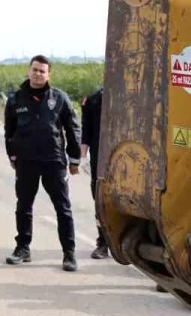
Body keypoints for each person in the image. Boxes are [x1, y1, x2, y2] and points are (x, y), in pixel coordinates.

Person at [4, 55, 83, 272]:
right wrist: (13, 156)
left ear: (49, 74)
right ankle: (22, 248)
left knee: (63, 208)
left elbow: (72, 129)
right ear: (29, 71)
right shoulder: (15, 99)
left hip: (53, 161)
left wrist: (74, 159)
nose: (38, 74)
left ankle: (69, 253)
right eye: (35, 70)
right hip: (26, 162)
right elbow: (9, 131)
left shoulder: (59, 98)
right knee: (23, 206)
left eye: (42, 71)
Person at [81, 86, 108, 259]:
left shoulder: (137, 96)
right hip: (99, 160)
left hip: (130, 159)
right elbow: (86, 131)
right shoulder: (94, 100)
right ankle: (103, 243)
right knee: (100, 202)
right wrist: (82, 156)